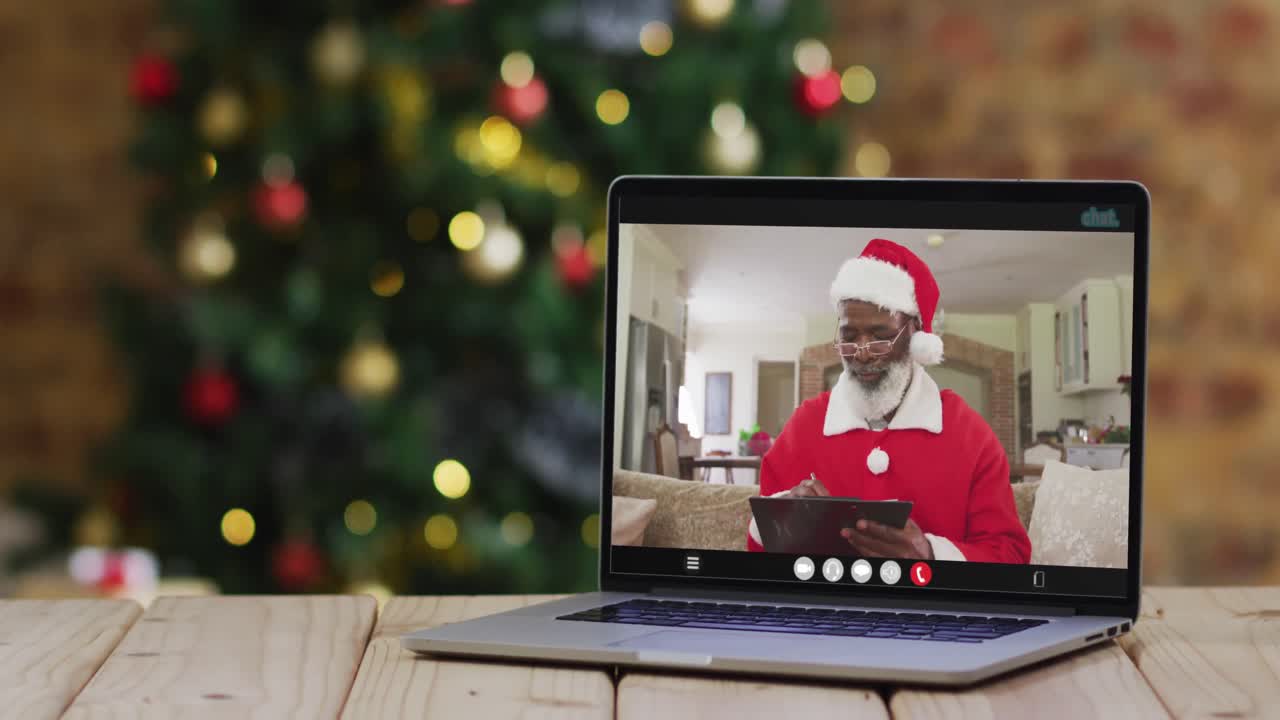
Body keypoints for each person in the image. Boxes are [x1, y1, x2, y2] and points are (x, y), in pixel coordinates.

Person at [746, 239, 1031, 563]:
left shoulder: (970, 435)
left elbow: (1011, 557)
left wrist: (929, 553)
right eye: (849, 337)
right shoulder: (804, 427)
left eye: (881, 335)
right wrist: (785, 520)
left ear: (916, 336)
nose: (863, 353)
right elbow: (759, 553)